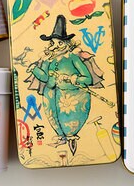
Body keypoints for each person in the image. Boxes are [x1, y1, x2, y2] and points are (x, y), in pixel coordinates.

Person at [26, 15, 103, 155]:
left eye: (60, 43)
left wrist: (73, 78)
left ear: (67, 43)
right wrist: (34, 69)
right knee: (54, 118)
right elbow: (44, 77)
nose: (56, 46)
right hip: (51, 95)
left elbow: (88, 79)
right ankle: (61, 137)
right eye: (53, 43)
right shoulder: (48, 60)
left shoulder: (73, 58)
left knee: (69, 121)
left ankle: (71, 137)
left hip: (73, 96)